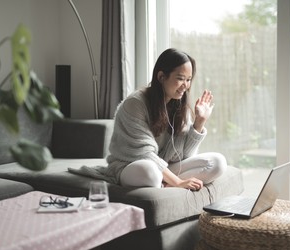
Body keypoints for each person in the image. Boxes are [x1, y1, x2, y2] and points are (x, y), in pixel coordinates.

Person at [71, 48, 227, 190]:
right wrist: (178, 182)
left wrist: (199, 122)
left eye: (188, 79)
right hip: (131, 166)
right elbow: (145, 155)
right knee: (150, 173)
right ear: (161, 76)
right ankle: (168, 183)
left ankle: (164, 184)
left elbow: (184, 156)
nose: (185, 85)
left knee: (218, 162)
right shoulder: (135, 104)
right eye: (180, 78)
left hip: (165, 168)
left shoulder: (179, 105)